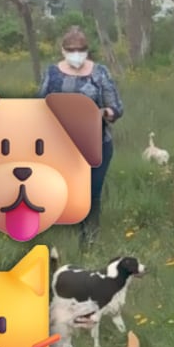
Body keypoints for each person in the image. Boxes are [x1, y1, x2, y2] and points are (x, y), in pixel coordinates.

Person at [36, 26, 123, 247]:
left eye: (81, 49)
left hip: (96, 144)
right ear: (63, 50)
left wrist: (104, 113)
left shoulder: (99, 73)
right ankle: (62, 235)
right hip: (61, 146)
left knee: (92, 192)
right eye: (71, 49)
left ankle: (89, 239)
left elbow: (116, 106)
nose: (76, 54)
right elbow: (38, 105)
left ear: (87, 50)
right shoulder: (53, 73)